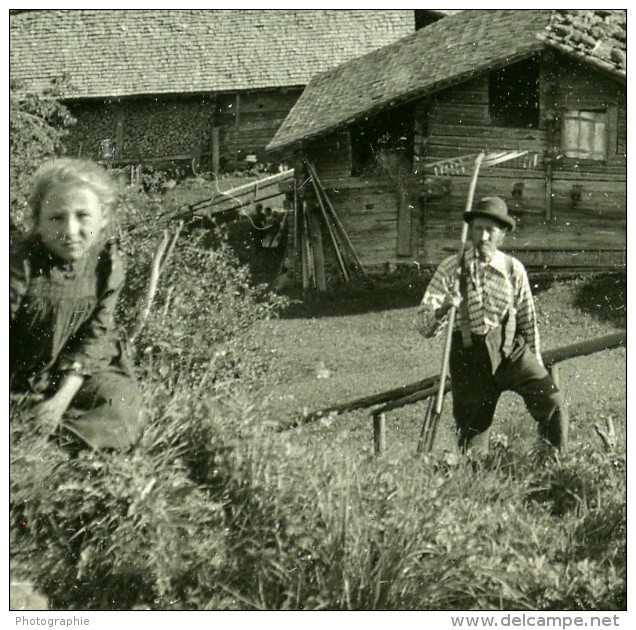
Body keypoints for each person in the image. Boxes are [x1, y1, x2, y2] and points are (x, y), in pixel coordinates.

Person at [416, 196, 566, 458]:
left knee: (552, 402)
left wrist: (536, 362)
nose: (483, 236)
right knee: (473, 442)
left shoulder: (513, 269)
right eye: (478, 228)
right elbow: (423, 324)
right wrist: (443, 308)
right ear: (470, 230)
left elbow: (528, 320)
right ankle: (481, 487)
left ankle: (552, 464)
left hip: (509, 352)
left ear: (502, 235)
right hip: (469, 360)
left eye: (490, 230)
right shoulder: (452, 268)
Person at [10, 158, 142, 451]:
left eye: (83, 215)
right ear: (38, 223)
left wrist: (60, 401)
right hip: (16, 375)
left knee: (121, 400)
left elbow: (95, 337)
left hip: (71, 375)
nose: (70, 231)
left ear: (103, 218)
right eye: (56, 218)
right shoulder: (20, 263)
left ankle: (59, 439)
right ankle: (23, 429)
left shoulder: (105, 265)